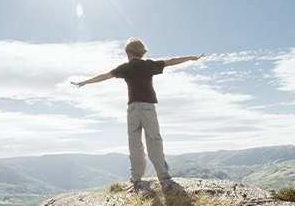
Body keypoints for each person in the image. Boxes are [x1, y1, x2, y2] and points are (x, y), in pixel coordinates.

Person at [71, 38, 204, 186]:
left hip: (133, 109)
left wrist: (85, 82)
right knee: (154, 140)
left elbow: (105, 76)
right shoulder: (149, 65)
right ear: (141, 52)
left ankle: (136, 178)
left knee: (134, 143)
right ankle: (163, 176)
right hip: (148, 108)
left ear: (128, 52)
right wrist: (191, 58)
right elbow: (170, 61)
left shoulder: (125, 68)